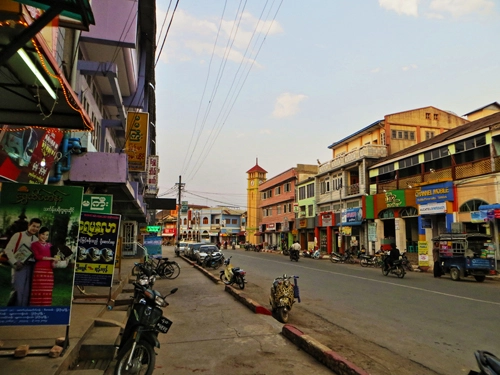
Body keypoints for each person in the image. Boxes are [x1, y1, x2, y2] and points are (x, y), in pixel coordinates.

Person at [3, 218, 41, 306]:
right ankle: (12, 311)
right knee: (17, 289)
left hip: (31, 266)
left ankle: (23, 311)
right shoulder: (18, 235)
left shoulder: (36, 239)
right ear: (29, 225)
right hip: (19, 265)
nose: (35, 229)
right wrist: (15, 262)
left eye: (37, 227)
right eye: (33, 226)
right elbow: (8, 250)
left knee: (27, 291)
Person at [30, 227, 58, 306]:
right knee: (39, 290)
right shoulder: (34, 244)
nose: (44, 237)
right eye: (43, 234)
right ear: (39, 234)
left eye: (47, 235)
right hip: (39, 270)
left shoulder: (50, 245)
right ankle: (35, 307)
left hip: (49, 270)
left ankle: (46, 307)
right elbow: (37, 256)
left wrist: (56, 260)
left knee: (47, 290)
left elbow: (53, 256)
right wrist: (51, 258)